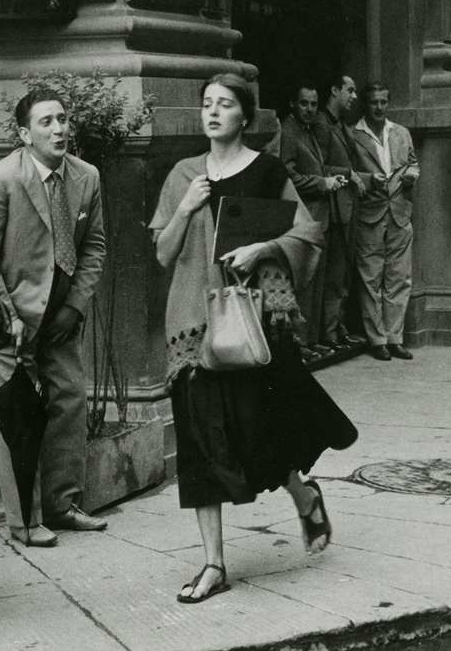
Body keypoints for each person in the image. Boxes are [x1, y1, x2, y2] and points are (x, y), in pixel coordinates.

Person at [149, 73, 356, 603]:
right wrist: (186, 207)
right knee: (200, 443)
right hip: (194, 323)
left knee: (259, 429)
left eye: (225, 104)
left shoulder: (267, 171)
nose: (213, 112)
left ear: (245, 116)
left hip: (254, 320)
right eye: (207, 104)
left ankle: (303, 495)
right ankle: (213, 564)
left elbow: (308, 232)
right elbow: (163, 253)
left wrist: (262, 249)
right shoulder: (183, 174)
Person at [0, 88, 109, 548]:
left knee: (69, 400)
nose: (59, 128)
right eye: (46, 122)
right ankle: (24, 521)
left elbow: (94, 246)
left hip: (61, 315)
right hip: (10, 320)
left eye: (63, 119)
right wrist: (7, 317)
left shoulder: (86, 177)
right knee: (18, 418)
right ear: (25, 134)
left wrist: (74, 306)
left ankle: (62, 505)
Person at [348, 82, 419, 360]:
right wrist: (368, 180)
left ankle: (394, 338)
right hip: (369, 213)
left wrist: (412, 175)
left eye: (383, 102)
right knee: (371, 278)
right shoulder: (353, 135)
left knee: (399, 278)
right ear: (365, 105)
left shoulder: (401, 132)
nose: (379, 107)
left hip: (400, 212)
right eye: (373, 102)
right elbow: (347, 172)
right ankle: (376, 339)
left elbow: (412, 162)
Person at [275, 82, 344, 359]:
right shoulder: (289, 131)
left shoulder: (309, 129)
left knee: (317, 281)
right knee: (304, 283)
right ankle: (300, 343)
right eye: (304, 103)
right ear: (293, 103)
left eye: (314, 104)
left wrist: (332, 178)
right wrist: (321, 183)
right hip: (303, 217)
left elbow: (315, 165)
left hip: (319, 217)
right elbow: (287, 176)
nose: (310, 109)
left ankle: (311, 340)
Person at [316, 75, 366, 350]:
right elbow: (320, 166)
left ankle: (339, 326)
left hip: (347, 206)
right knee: (335, 272)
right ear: (334, 90)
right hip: (334, 208)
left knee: (343, 271)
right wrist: (349, 174)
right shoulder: (321, 123)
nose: (354, 96)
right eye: (350, 90)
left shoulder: (341, 124)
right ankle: (330, 332)